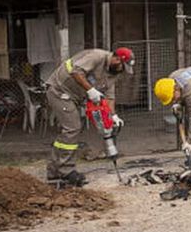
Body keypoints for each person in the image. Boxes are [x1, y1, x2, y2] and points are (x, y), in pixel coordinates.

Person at [45, 47, 134, 185]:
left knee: (68, 132)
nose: (122, 70)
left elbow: (109, 97)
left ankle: (53, 170)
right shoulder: (96, 56)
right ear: (116, 59)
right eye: (123, 66)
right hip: (59, 91)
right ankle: (66, 170)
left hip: (74, 97)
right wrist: (91, 90)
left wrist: (113, 116)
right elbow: (76, 71)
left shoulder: (113, 73)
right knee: (72, 128)